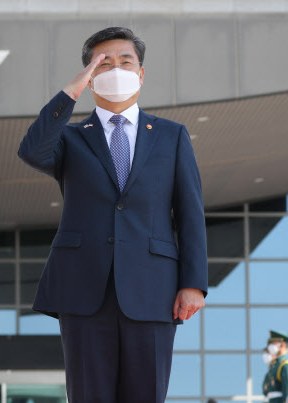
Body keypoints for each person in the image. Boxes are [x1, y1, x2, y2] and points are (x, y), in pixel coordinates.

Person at [18, 27, 207, 403]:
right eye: (104, 63)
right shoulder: (70, 138)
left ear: (141, 73)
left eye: (126, 61)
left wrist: (193, 283)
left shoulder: (171, 136)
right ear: (90, 77)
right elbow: (32, 151)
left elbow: (189, 212)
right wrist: (69, 93)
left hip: (154, 289)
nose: (116, 69)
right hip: (84, 289)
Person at [262, 330, 288, 403]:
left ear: (282, 344)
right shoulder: (276, 364)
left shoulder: (285, 363)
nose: (270, 346)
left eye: (273, 343)